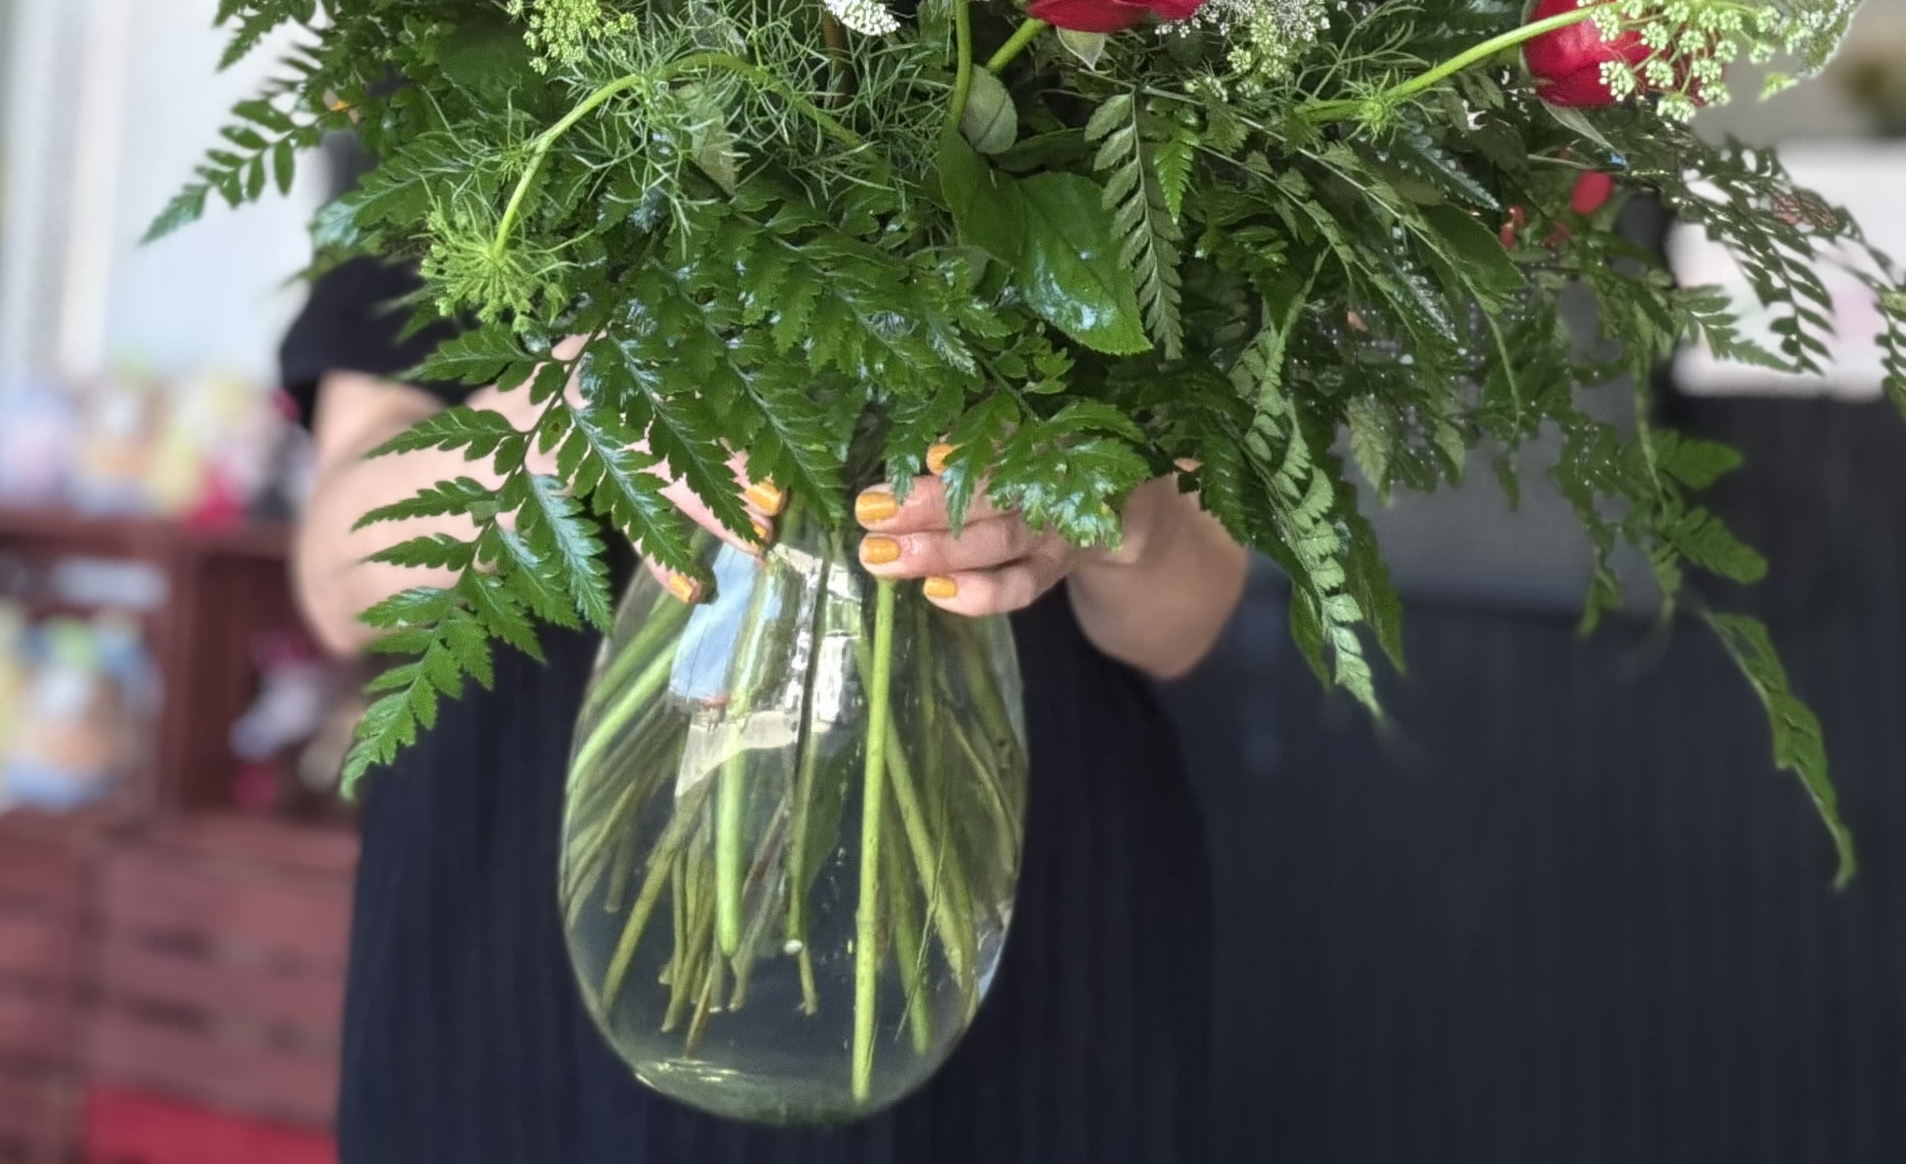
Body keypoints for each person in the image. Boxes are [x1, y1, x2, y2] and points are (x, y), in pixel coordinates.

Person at [285, 254, 1247, 1164]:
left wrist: (1120, 504)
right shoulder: (464, 109)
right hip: (525, 921)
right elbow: (340, 577)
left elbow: (1180, 625)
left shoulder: (1142, 108)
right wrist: (565, 410)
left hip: (1019, 920)